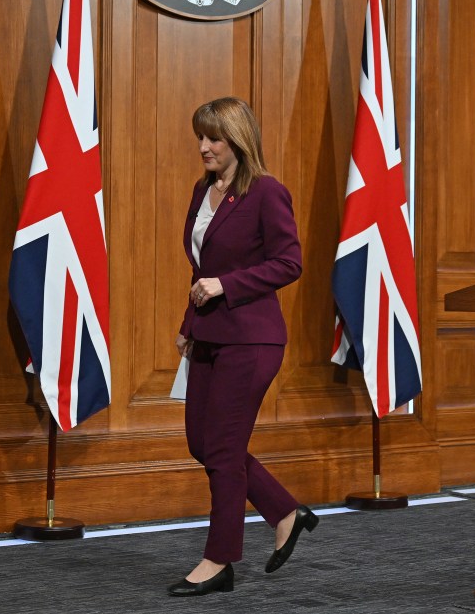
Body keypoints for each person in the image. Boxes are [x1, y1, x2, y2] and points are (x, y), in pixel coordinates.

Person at [168, 97, 318, 597]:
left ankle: (219, 561)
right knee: (202, 443)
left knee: (223, 449)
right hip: (208, 335)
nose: (204, 146)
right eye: (200, 136)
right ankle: (285, 512)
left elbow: (289, 263)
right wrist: (189, 324)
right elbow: (201, 269)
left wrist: (226, 286)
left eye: (213, 137)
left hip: (251, 340)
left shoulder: (266, 192)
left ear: (238, 139)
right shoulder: (203, 191)